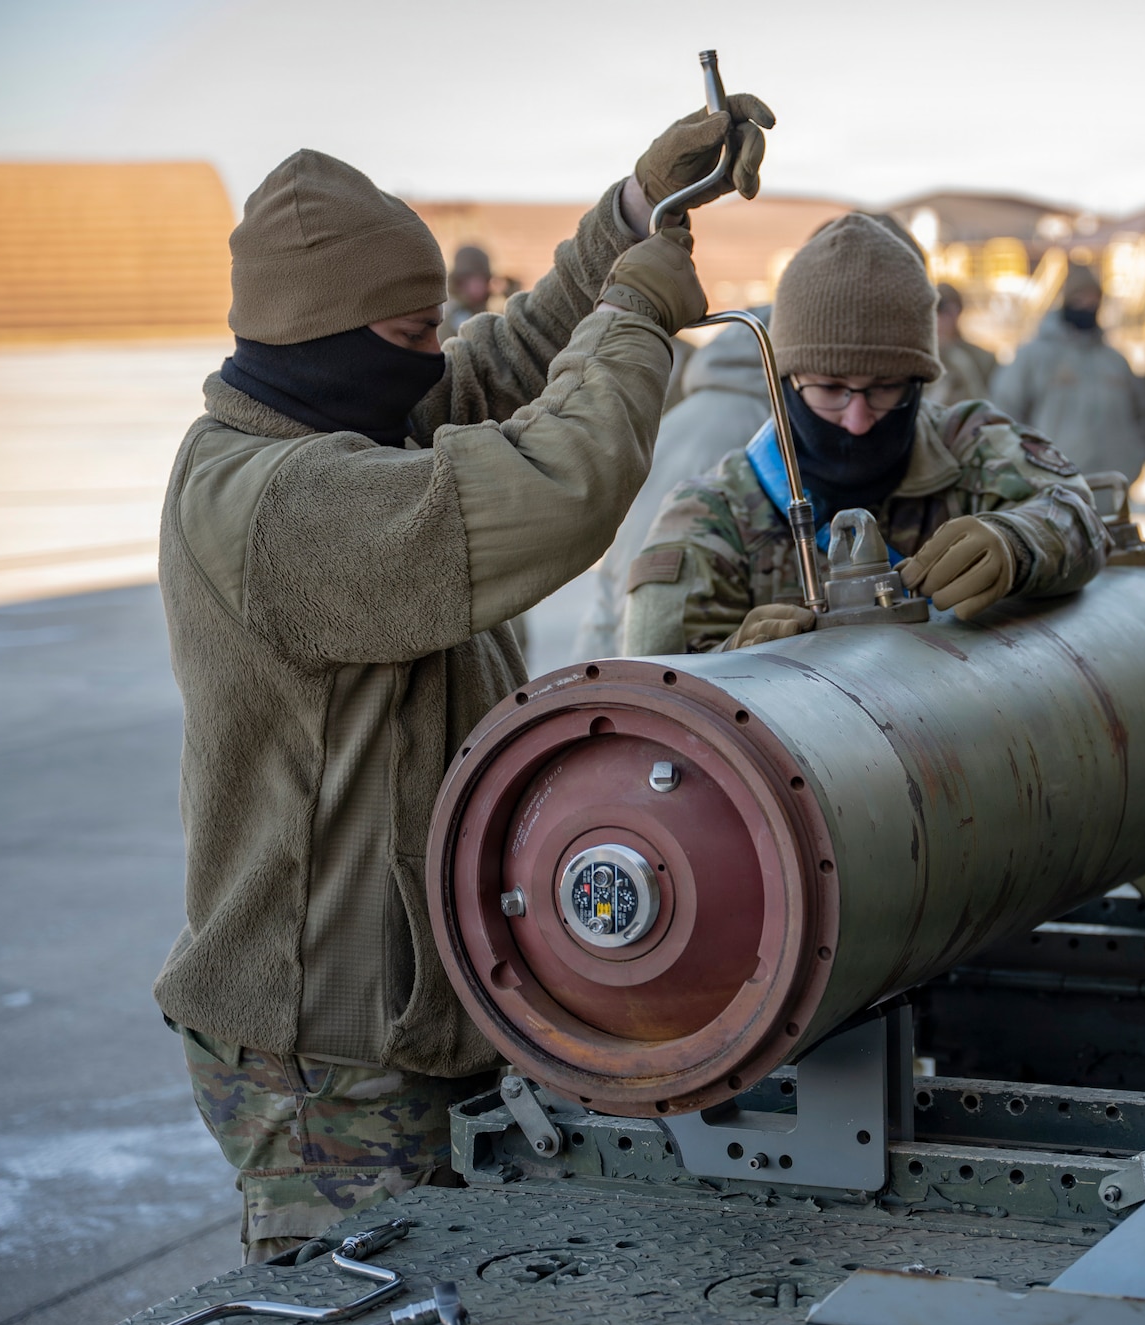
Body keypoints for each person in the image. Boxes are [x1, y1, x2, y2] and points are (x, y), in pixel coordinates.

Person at [154, 91, 774, 1260]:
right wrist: (640, 313)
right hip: (331, 1060)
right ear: (326, 342)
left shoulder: (329, 421)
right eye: (407, 337)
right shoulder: (285, 505)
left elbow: (503, 362)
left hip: (409, 1024)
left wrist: (638, 213)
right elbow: (556, 478)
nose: (433, 358)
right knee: (370, 1294)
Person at [622, 213, 1109, 656]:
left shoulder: (969, 445)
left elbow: (1078, 511)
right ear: (786, 381)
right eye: (830, 389)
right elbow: (653, 701)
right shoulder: (711, 517)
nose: (857, 419)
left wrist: (1018, 544)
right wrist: (734, 665)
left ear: (919, 381)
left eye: (885, 389)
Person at [572, 308, 776, 660]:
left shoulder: (671, 424)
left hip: (607, 665)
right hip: (659, 677)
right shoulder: (768, 437)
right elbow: (658, 605)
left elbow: (615, 586)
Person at [989, 265, 1145, 483]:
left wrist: (1135, 458)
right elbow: (1005, 409)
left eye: (1094, 298)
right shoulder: (1034, 356)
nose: (1087, 304)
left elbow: (1143, 412)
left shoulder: (1114, 360)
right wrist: (1025, 466)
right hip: (1053, 487)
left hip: (1111, 486)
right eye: (1080, 297)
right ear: (1066, 301)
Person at [932, 282, 999, 405]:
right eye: (937, 310)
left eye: (949, 311)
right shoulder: (923, 359)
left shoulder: (983, 358)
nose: (941, 319)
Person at [439, 244, 493, 340]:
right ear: (460, 282)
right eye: (474, 280)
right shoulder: (451, 314)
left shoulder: (481, 309)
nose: (480, 285)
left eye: (483, 279)